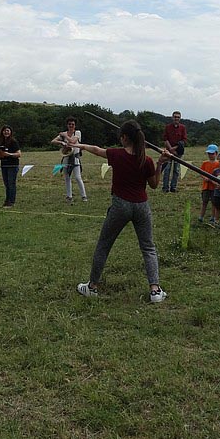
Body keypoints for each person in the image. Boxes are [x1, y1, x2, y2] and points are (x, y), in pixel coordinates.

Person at [69, 120, 168, 303]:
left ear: (124, 138)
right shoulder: (145, 159)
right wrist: (160, 163)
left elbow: (97, 149)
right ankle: (155, 290)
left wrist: (79, 145)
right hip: (142, 206)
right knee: (148, 248)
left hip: (120, 206)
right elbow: (154, 185)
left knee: (104, 245)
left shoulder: (116, 155)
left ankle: (92, 287)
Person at [50, 116, 88, 203]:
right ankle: (69, 196)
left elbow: (72, 141)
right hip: (66, 157)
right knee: (67, 177)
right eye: (69, 124)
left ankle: (84, 196)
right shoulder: (64, 134)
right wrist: (61, 142)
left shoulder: (77, 133)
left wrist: (64, 136)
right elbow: (53, 141)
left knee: (78, 177)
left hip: (75, 157)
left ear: (75, 125)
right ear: (67, 125)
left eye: (73, 124)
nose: (71, 126)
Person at [0, 125, 21, 207]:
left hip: (12, 165)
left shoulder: (13, 142)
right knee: (6, 184)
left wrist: (9, 154)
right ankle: (7, 200)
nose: (6, 132)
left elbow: (19, 154)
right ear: (2, 132)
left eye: (8, 130)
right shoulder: (1, 142)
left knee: (11, 184)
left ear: (10, 132)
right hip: (4, 165)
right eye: (4, 130)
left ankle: (11, 202)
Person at [161, 111, 187, 192]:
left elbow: (184, 140)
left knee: (176, 170)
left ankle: (173, 187)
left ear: (180, 118)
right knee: (167, 169)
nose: (176, 118)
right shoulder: (167, 127)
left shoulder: (183, 127)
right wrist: (170, 149)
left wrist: (174, 149)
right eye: (175, 117)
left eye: (178, 117)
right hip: (168, 152)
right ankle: (165, 188)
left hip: (178, 152)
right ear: (172, 117)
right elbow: (165, 139)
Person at [198, 144, 220, 224]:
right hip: (205, 186)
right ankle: (201, 216)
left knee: (214, 202)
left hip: (214, 187)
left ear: (216, 153)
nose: (210, 155)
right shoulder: (205, 163)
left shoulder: (218, 163)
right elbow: (201, 172)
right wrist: (204, 177)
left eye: (212, 153)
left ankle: (212, 217)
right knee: (204, 202)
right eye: (209, 153)